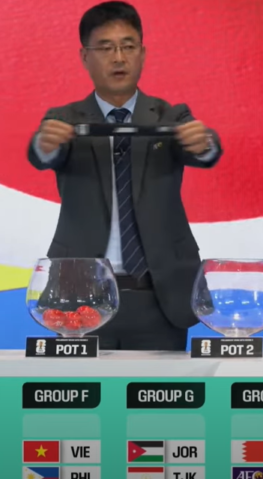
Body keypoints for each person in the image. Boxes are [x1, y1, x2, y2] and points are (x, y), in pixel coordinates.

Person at [28, 1, 223, 351]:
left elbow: (205, 150)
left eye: (128, 46)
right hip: (81, 294)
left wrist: (204, 143)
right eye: (105, 48)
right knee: (81, 387)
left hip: (160, 296)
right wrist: (45, 144)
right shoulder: (64, 119)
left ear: (142, 54)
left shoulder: (170, 115)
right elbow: (42, 154)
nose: (118, 58)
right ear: (85, 57)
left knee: (161, 387)